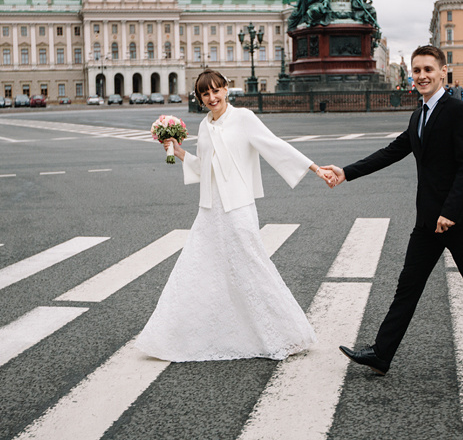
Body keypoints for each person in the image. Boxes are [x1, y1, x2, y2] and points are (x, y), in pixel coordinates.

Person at [322, 45, 463, 382]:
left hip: (456, 220)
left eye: (428, 69)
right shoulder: (419, 115)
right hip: (428, 221)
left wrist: (450, 211)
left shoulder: (459, 111)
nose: (422, 76)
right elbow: (391, 152)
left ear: (443, 71)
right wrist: (346, 172)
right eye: (417, 70)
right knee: (407, 287)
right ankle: (382, 353)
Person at [136, 69, 334, 362]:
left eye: (216, 90)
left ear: (226, 89)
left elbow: (274, 145)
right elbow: (205, 168)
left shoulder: (243, 118)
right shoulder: (204, 126)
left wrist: (315, 168)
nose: (212, 97)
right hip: (210, 208)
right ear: (200, 98)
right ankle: (194, 334)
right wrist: (178, 151)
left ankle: (284, 333)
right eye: (205, 93)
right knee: (199, 267)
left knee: (252, 265)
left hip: (239, 206)